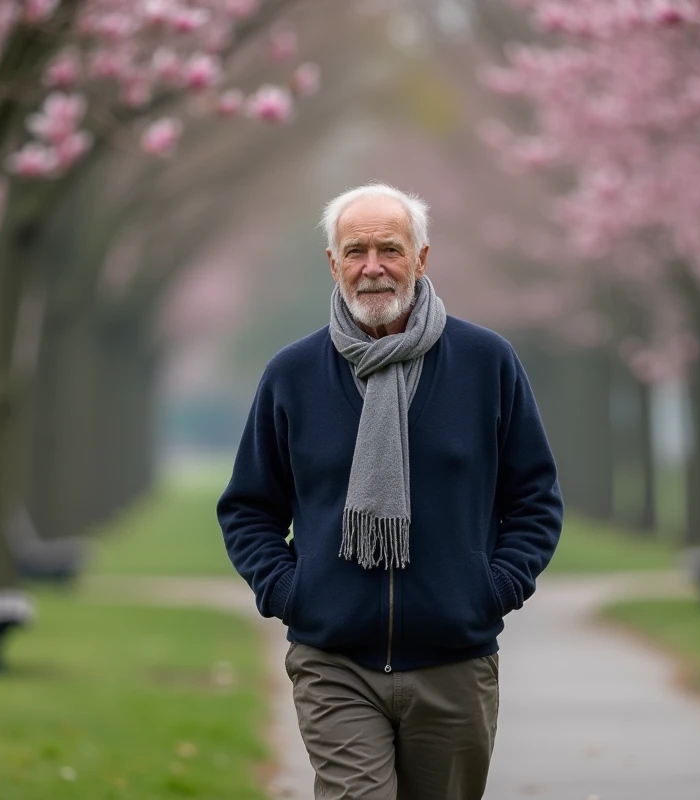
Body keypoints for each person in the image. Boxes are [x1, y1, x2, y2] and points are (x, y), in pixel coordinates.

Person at [217, 182, 564, 799]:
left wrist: (493, 589)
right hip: (334, 662)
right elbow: (248, 508)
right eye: (355, 251)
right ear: (333, 264)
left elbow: (534, 499)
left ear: (421, 258)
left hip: (455, 661)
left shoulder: (487, 363)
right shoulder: (292, 375)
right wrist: (292, 593)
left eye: (389, 249)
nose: (372, 267)